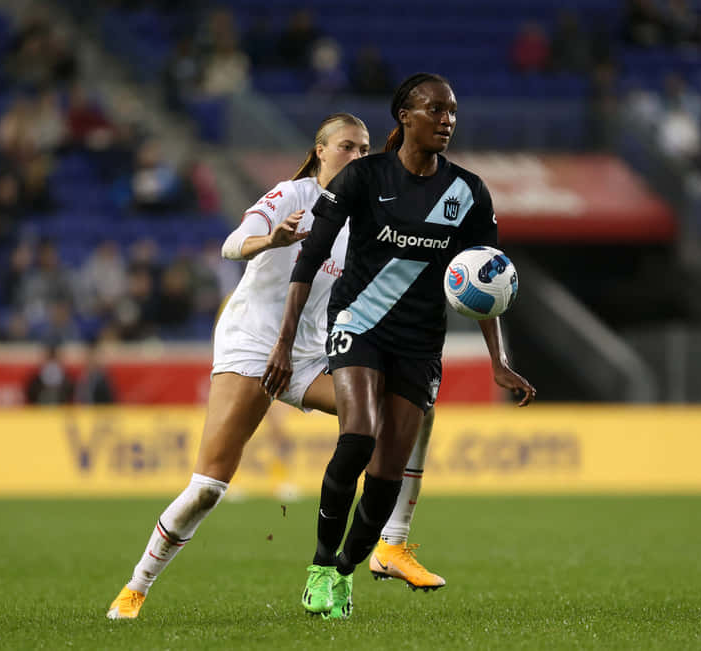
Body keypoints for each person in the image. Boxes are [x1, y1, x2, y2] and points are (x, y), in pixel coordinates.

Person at [106, 112, 444, 620]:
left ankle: (391, 544)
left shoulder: (367, 218)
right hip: (253, 344)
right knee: (207, 489)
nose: (358, 157)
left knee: (415, 403)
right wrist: (274, 241)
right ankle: (136, 586)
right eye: (347, 147)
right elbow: (230, 244)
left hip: (310, 354)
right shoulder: (294, 195)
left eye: (365, 148)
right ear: (321, 151)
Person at [262, 73, 536, 620]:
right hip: (358, 324)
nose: (447, 119)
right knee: (359, 435)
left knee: (388, 471)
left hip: (418, 341)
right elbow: (310, 256)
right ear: (405, 116)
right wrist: (285, 341)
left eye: (453, 111)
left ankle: (345, 572)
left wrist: (499, 361)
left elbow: (486, 285)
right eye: (435, 109)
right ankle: (319, 565)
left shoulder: (469, 193)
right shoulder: (364, 177)